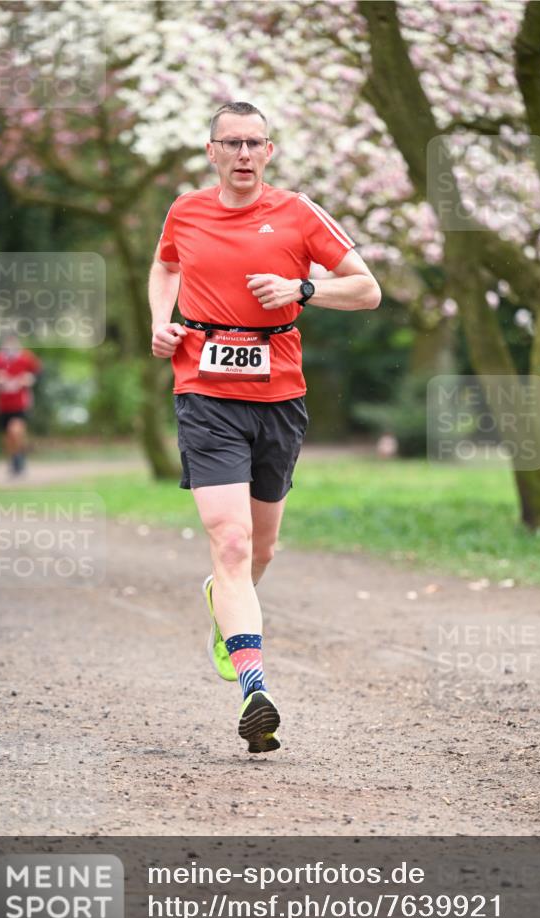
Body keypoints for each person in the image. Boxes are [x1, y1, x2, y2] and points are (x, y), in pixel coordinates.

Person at [149, 101, 380, 753]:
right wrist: (159, 323)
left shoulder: (299, 213)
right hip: (204, 392)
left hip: (278, 396)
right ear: (211, 151)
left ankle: (222, 604)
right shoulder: (184, 211)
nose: (244, 154)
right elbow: (165, 266)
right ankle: (255, 686)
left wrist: (302, 289)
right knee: (229, 541)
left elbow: (367, 290)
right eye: (232, 143)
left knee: (260, 551)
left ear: (270, 152)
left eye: (255, 143)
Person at [0, 333, 42, 477]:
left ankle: (20, 458)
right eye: (7, 343)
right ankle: (15, 460)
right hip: (3, 404)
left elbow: (39, 372)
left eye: (12, 342)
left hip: (20, 402)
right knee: (8, 437)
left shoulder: (25, 356)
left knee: (15, 430)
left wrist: (29, 378)